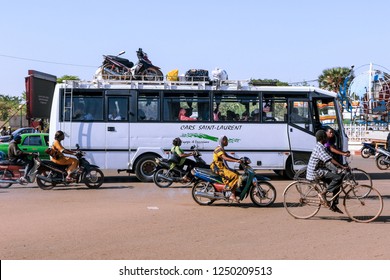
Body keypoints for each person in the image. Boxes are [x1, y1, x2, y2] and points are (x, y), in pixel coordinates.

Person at [306, 130, 347, 214]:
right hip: (315, 172)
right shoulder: (319, 148)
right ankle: (323, 193)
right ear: (323, 138)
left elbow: (330, 155)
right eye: (326, 136)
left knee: (338, 182)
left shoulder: (321, 146)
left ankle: (334, 205)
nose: (327, 138)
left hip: (318, 170)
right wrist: (342, 166)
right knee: (338, 178)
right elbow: (329, 160)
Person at [210, 136, 242, 202]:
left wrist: (239, 159)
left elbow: (227, 156)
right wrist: (236, 161)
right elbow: (225, 158)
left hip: (222, 167)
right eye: (226, 140)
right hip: (218, 168)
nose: (227, 142)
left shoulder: (221, 149)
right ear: (223, 141)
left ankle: (232, 190)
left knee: (237, 173)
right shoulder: (218, 149)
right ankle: (231, 194)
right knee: (235, 176)